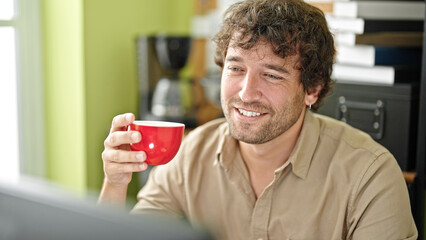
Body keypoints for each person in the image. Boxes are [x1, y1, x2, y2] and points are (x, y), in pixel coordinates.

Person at [98, 0, 418, 239]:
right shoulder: (187, 156)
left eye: (271, 75)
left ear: (313, 89)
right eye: (235, 68)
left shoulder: (370, 175)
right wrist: (115, 184)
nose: (247, 93)